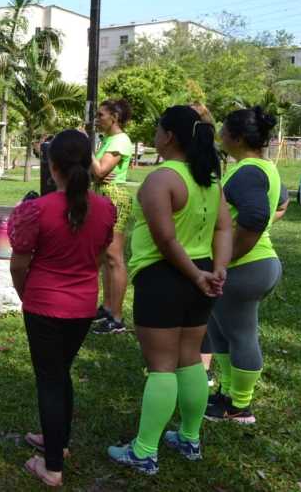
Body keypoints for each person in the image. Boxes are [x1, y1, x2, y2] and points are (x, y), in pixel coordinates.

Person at [107, 105, 232, 475]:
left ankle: (144, 451)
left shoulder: (161, 179)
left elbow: (165, 240)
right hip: (201, 274)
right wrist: (216, 269)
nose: (155, 135)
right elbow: (224, 228)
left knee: (161, 365)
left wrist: (196, 275)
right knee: (190, 358)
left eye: (158, 129)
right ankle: (190, 438)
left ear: (170, 136)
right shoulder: (208, 180)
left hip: (165, 278)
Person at [9, 130, 116, 487]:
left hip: (44, 304)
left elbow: (19, 264)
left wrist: (26, 294)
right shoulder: (105, 209)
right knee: (60, 373)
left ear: (52, 166)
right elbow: (98, 257)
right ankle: (59, 442)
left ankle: (52, 466)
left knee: (50, 380)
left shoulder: (38, 210)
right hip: (82, 306)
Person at [203, 107, 287, 424]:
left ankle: (240, 405)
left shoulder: (249, 171)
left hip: (247, 267)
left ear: (237, 138)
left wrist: (226, 259)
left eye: (224, 130)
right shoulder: (262, 166)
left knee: (240, 335)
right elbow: (280, 204)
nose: (220, 135)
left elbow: (255, 217)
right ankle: (227, 394)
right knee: (220, 332)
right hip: (252, 265)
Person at [91, 99, 134, 334]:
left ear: (114, 117)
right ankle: (107, 308)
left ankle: (117, 318)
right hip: (102, 196)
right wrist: (95, 172)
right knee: (105, 256)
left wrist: (87, 151)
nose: (97, 119)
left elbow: (99, 170)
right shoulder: (107, 140)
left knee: (114, 257)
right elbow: (95, 173)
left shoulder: (120, 140)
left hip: (114, 197)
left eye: (101, 115)